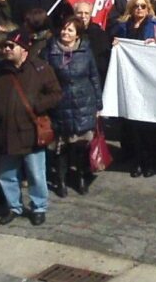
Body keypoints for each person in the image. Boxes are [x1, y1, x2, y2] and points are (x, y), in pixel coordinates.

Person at [0, 30, 63, 226]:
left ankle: (39, 207)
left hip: (31, 131)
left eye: (11, 46)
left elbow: (56, 93)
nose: (6, 49)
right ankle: (13, 206)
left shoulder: (40, 68)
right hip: (6, 131)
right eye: (4, 46)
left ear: (23, 49)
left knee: (36, 173)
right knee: (7, 174)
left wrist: (37, 105)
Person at [45, 17, 103, 197]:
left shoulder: (85, 50)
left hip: (83, 103)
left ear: (77, 34)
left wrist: (98, 104)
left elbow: (94, 77)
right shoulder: (51, 50)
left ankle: (81, 177)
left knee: (81, 146)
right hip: (60, 104)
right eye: (64, 29)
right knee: (61, 146)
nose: (65, 33)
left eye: (70, 30)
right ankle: (61, 180)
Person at [111, 0, 156, 177]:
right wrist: (116, 44)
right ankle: (137, 160)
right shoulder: (122, 26)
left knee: (148, 125)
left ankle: (150, 161)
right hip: (131, 80)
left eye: (143, 6)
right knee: (132, 123)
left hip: (149, 80)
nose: (140, 9)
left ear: (148, 8)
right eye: (136, 6)